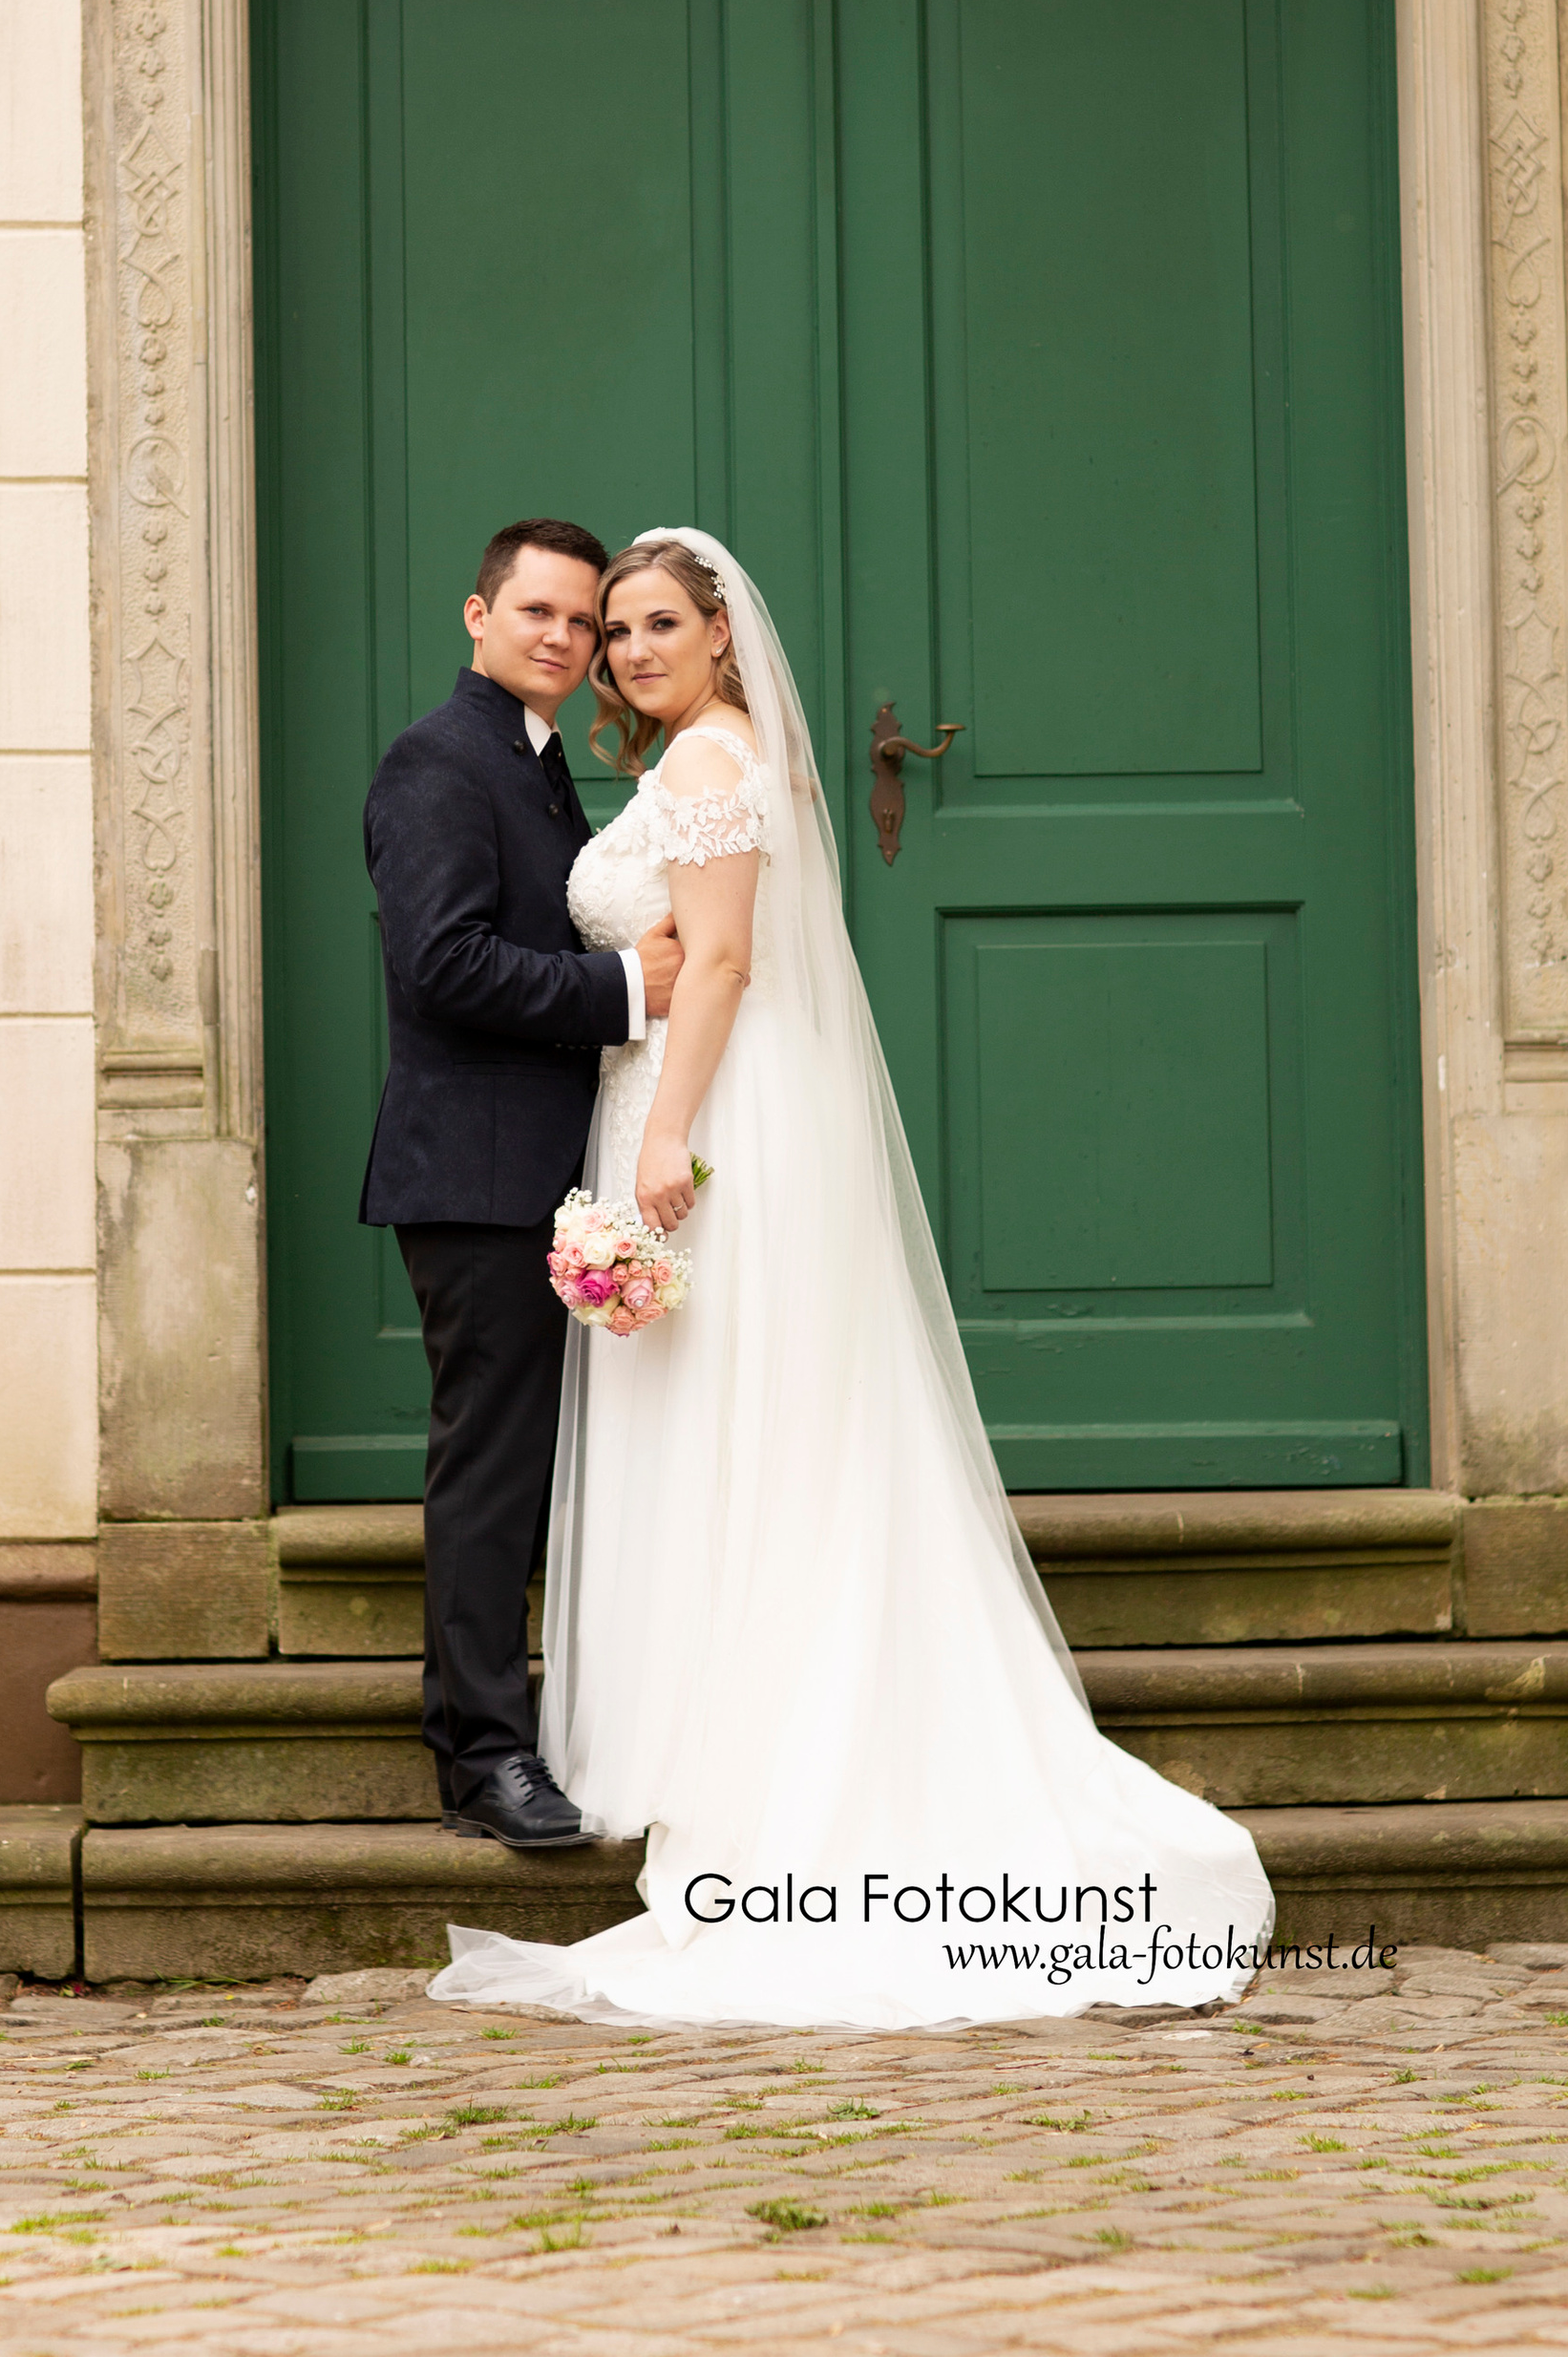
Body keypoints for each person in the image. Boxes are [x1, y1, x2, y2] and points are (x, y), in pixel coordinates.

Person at [431, 530, 1275, 2028]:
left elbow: (730, 964)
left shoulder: (705, 768)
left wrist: (669, 1131)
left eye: (654, 624)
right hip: (685, 1097)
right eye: (612, 628)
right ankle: (718, 1731)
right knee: (737, 1424)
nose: (626, 648)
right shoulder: (693, 758)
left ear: (721, 637)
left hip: (707, 1110)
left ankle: (763, 1755)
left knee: (744, 1429)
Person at [358, 520, 682, 1850]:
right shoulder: (441, 762)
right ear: (478, 615)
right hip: (473, 1176)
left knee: (528, 1469)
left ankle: (521, 1731)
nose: (564, 637)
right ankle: (482, 1755)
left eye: (585, 620)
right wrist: (624, 990)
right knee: (491, 1473)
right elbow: (441, 967)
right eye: (537, 611)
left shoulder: (536, 766)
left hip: (536, 1173)